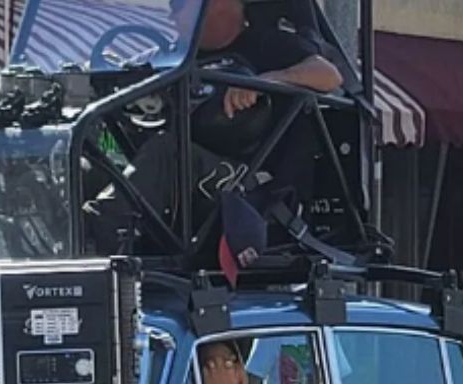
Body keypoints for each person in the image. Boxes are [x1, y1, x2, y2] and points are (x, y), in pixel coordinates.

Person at [84, 0, 343, 251]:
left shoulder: (265, 44)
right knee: (88, 162)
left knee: (166, 152)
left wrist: (266, 81)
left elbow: (329, 76)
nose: (172, 15)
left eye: (179, 5)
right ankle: (69, 236)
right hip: (186, 179)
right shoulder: (175, 55)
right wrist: (105, 72)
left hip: (251, 184)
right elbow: (133, 75)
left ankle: (95, 237)